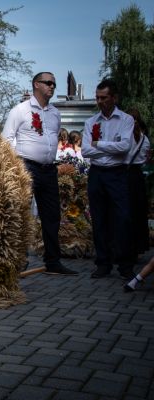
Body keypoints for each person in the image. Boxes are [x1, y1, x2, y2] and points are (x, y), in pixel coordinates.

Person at [2, 71, 77, 275]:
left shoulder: (55, 113)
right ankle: (18, 258)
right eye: (48, 83)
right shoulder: (20, 110)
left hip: (48, 169)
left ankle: (53, 262)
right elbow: (6, 140)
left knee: (52, 216)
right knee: (22, 215)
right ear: (36, 84)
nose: (52, 86)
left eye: (54, 83)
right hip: (25, 167)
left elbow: (52, 138)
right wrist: (13, 168)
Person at [81, 79, 134, 279]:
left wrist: (98, 144)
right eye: (97, 97)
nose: (100, 101)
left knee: (122, 219)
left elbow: (125, 147)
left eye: (104, 98)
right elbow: (86, 151)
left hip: (117, 174)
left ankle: (125, 264)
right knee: (99, 219)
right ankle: (103, 263)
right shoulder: (91, 122)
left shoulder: (126, 120)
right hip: (97, 174)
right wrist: (110, 146)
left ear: (114, 97)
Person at [125, 109, 150, 256]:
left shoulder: (125, 138)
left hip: (125, 174)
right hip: (138, 176)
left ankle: (125, 247)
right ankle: (137, 247)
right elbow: (145, 159)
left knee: (125, 212)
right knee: (138, 212)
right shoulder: (144, 139)